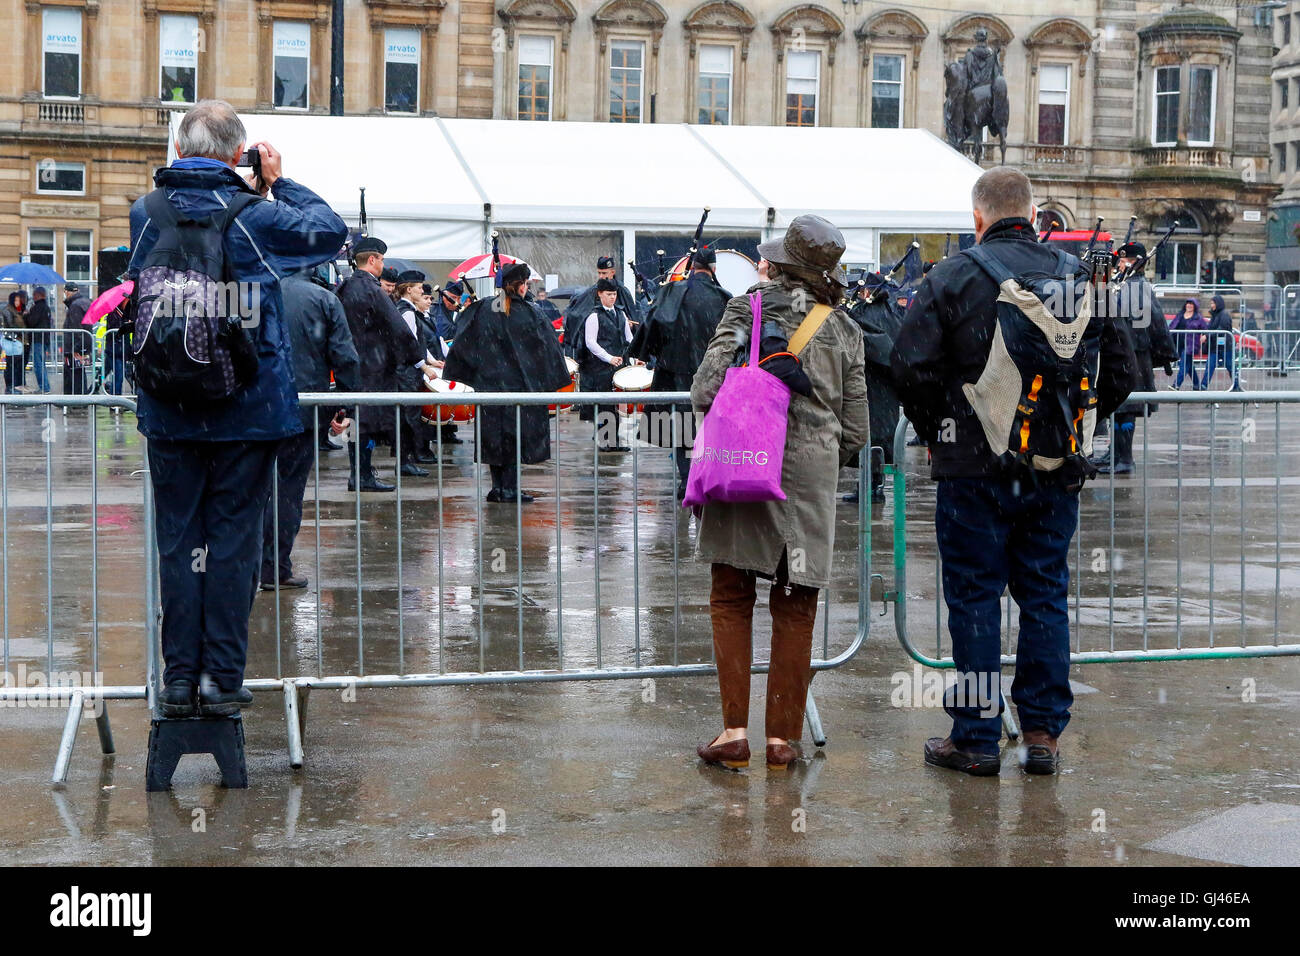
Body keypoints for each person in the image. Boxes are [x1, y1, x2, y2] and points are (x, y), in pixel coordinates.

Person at [891, 167, 1134, 775]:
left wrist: (936, 432)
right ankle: (1043, 735)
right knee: (1045, 594)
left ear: (978, 218)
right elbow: (1125, 374)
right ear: (1034, 214)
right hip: (1055, 467)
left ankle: (974, 738)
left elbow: (908, 367)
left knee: (974, 596)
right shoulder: (1079, 279)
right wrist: (1077, 424)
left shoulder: (950, 277)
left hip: (971, 467)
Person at [128, 99, 347, 717]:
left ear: (176, 151)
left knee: (179, 544)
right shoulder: (255, 215)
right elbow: (331, 232)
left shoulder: (145, 213)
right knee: (233, 545)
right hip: (247, 408)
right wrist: (279, 180)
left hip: (170, 405)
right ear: (236, 155)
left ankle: (178, 680)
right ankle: (221, 679)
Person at [692, 215, 869, 771]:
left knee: (731, 595)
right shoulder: (845, 329)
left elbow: (705, 386)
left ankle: (733, 734)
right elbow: (858, 431)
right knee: (796, 608)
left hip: (745, 468)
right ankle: (782, 741)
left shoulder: (748, 308)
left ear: (782, 263)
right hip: (810, 480)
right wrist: (816, 459)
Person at [261, 266, 361, 591]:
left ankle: (245, 567)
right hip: (300, 408)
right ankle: (274, 567)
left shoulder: (252, 290)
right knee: (287, 491)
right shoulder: (323, 299)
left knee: (250, 488)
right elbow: (345, 357)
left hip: (254, 407)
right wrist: (345, 406)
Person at [440, 262, 571, 503]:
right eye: (526, 284)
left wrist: (472, 373)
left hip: (489, 387)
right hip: (519, 388)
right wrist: (549, 379)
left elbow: (463, 342)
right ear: (521, 286)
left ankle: (497, 487)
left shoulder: (482, 309)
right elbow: (547, 349)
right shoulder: (530, 313)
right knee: (513, 438)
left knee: (495, 438)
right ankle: (509, 489)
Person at [630, 246, 730, 496]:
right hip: (713, 373)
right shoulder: (723, 298)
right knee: (709, 428)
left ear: (693, 267)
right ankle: (706, 479)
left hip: (676, 372)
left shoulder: (672, 291)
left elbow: (652, 322)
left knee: (682, 428)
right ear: (714, 269)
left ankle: (686, 481)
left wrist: (649, 353)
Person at [336, 236, 427, 492]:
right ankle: (363, 475)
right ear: (373, 260)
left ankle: (359, 473)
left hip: (351, 366)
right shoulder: (371, 288)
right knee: (366, 423)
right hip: (373, 368)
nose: (382, 264)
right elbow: (397, 327)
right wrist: (413, 357)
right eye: (382, 259)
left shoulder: (345, 287)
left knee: (356, 422)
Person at [1091, 242, 1178, 475]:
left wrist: (1166, 355)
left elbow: (1155, 324)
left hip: (1134, 358)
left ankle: (1125, 457)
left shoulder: (1138, 287)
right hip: (1125, 355)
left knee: (1126, 407)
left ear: (1133, 261)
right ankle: (1116, 453)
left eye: (1123, 259)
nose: (1119, 263)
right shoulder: (1126, 285)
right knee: (1119, 407)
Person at [843, 273, 903, 505]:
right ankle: (874, 485)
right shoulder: (892, 312)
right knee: (880, 437)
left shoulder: (865, 313)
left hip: (870, 383)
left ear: (867, 292)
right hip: (886, 386)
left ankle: (869, 486)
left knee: (870, 436)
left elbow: (869, 343)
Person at [577, 277, 636, 451]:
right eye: (609, 294)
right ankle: (604, 441)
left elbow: (629, 339)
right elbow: (591, 342)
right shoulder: (594, 316)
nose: (612, 297)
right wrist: (608, 357)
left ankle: (613, 440)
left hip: (618, 366)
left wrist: (635, 356)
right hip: (599, 367)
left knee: (615, 404)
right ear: (600, 294)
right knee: (604, 404)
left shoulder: (621, 314)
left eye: (614, 294)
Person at [393, 277, 443, 473]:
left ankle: (407, 459)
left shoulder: (405, 310)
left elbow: (417, 341)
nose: (422, 292)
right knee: (408, 417)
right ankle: (405, 462)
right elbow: (409, 344)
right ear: (408, 290)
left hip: (406, 370)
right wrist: (425, 367)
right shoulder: (408, 313)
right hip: (407, 372)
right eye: (419, 288)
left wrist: (430, 360)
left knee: (408, 416)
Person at [562, 254, 641, 359]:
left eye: (604, 273)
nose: (601, 276)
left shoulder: (623, 292)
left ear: (612, 272)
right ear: (600, 293)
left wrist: (629, 324)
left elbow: (633, 318)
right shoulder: (591, 292)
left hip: (618, 347)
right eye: (599, 273)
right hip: (596, 348)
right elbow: (575, 316)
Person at [1204, 293, 1241, 392]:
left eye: (1213, 303)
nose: (1211, 305)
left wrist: (1207, 335)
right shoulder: (1215, 315)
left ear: (1218, 303)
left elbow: (1221, 329)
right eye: (1211, 303)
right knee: (1210, 366)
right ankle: (1203, 385)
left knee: (1230, 366)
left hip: (1225, 346)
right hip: (1215, 346)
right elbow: (1211, 328)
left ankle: (1236, 385)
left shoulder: (1224, 314)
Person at [61, 283, 93, 396]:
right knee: (78, 373)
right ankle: (78, 400)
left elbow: (76, 328)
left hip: (74, 347)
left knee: (73, 375)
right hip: (83, 344)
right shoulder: (84, 302)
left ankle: (75, 401)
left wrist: (76, 348)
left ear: (67, 292)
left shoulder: (75, 306)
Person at [1169, 298, 1207, 391]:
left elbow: (1206, 329)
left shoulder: (1198, 317)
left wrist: (1205, 336)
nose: (1189, 306)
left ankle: (1176, 385)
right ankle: (1196, 384)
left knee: (1184, 364)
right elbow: (1171, 326)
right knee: (1189, 365)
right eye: (1188, 304)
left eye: (1191, 304)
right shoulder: (1180, 315)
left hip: (1191, 345)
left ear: (1195, 306)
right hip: (1179, 344)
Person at [25, 286, 52, 394]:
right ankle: (45, 387)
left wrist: (27, 315)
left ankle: (44, 388)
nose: (33, 296)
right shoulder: (46, 307)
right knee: (41, 363)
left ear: (39, 295)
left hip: (38, 339)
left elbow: (32, 322)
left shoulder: (38, 307)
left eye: (34, 294)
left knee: (38, 364)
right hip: (44, 338)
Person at [1, 291, 27, 394]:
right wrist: (21, 329)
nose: (18, 302)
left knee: (16, 366)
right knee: (11, 366)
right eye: (16, 300)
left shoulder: (17, 311)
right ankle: (9, 388)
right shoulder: (8, 310)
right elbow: (11, 324)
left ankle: (15, 388)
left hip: (17, 341)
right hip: (11, 340)